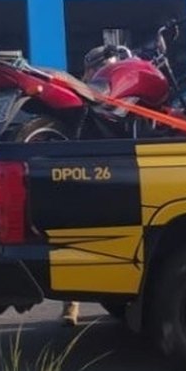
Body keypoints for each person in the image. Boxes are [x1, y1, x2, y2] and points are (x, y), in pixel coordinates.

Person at [57, 44, 128, 327]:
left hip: (111, 174)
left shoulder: (121, 93)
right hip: (79, 173)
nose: (95, 73)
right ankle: (70, 304)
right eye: (92, 68)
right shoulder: (79, 97)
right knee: (75, 239)